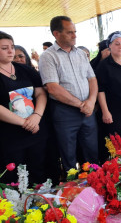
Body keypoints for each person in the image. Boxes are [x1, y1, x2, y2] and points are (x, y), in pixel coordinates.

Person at [39, 16, 98, 171]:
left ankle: (96, 188)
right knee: (68, 156)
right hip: (65, 113)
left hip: (88, 110)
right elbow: (52, 88)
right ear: (56, 34)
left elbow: (92, 79)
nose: (74, 36)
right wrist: (81, 104)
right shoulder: (48, 56)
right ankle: (72, 191)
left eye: (75, 32)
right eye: (69, 32)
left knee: (92, 152)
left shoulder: (80, 54)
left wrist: (91, 102)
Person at [0, 31, 48, 185]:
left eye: (12, 47)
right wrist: (24, 123)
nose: (10, 51)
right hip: (10, 138)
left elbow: (41, 93)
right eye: (4, 48)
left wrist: (36, 116)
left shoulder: (25, 70)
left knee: (39, 174)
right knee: (15, 180)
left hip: (36, 131)